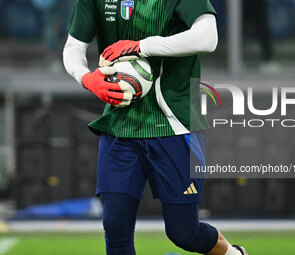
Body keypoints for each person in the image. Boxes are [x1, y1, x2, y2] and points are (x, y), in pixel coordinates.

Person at [63, 0, 248, 254]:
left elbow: (208, 37)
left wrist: (142, 47)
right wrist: (86, 78)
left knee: (184, 233)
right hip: (120, 127)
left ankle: (232, 253)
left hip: (175, 125)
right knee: (115, 227)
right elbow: (73, 46)